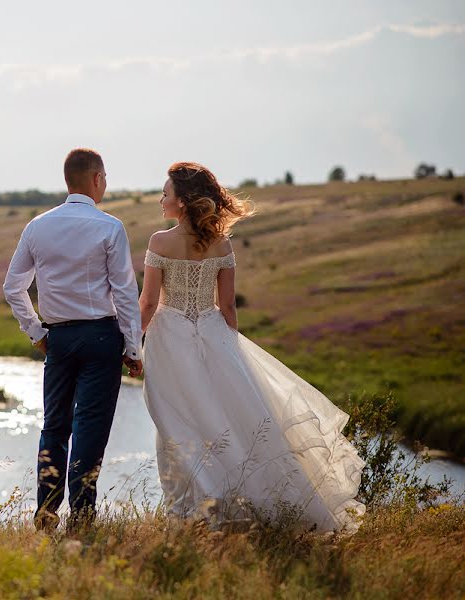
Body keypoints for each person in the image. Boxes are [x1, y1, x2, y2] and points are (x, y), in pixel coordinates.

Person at [139, 161, 365, 533]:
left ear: (183, 201)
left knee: (178, 422)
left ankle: (192, 510)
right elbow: (227, 306)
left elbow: (147, 303)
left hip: (169, 340)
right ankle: (236, 500)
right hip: (214, 332)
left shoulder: (159, 242)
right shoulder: (221, 243)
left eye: (166, 193)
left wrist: (132, 346)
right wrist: (231, 351)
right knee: (229, 419)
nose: (161, 199)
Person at [3, 148, 143, 532]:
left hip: (58, 338)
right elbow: (125, 293)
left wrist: (36, 333)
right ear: (97, 179)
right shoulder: (110, 227)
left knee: (55, 425)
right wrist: (133, 348)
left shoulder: (37, 226)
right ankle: (82, 517)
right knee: (90, 427)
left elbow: (13, 288)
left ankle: (46, 511)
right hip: (101, 337)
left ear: (68, 180)